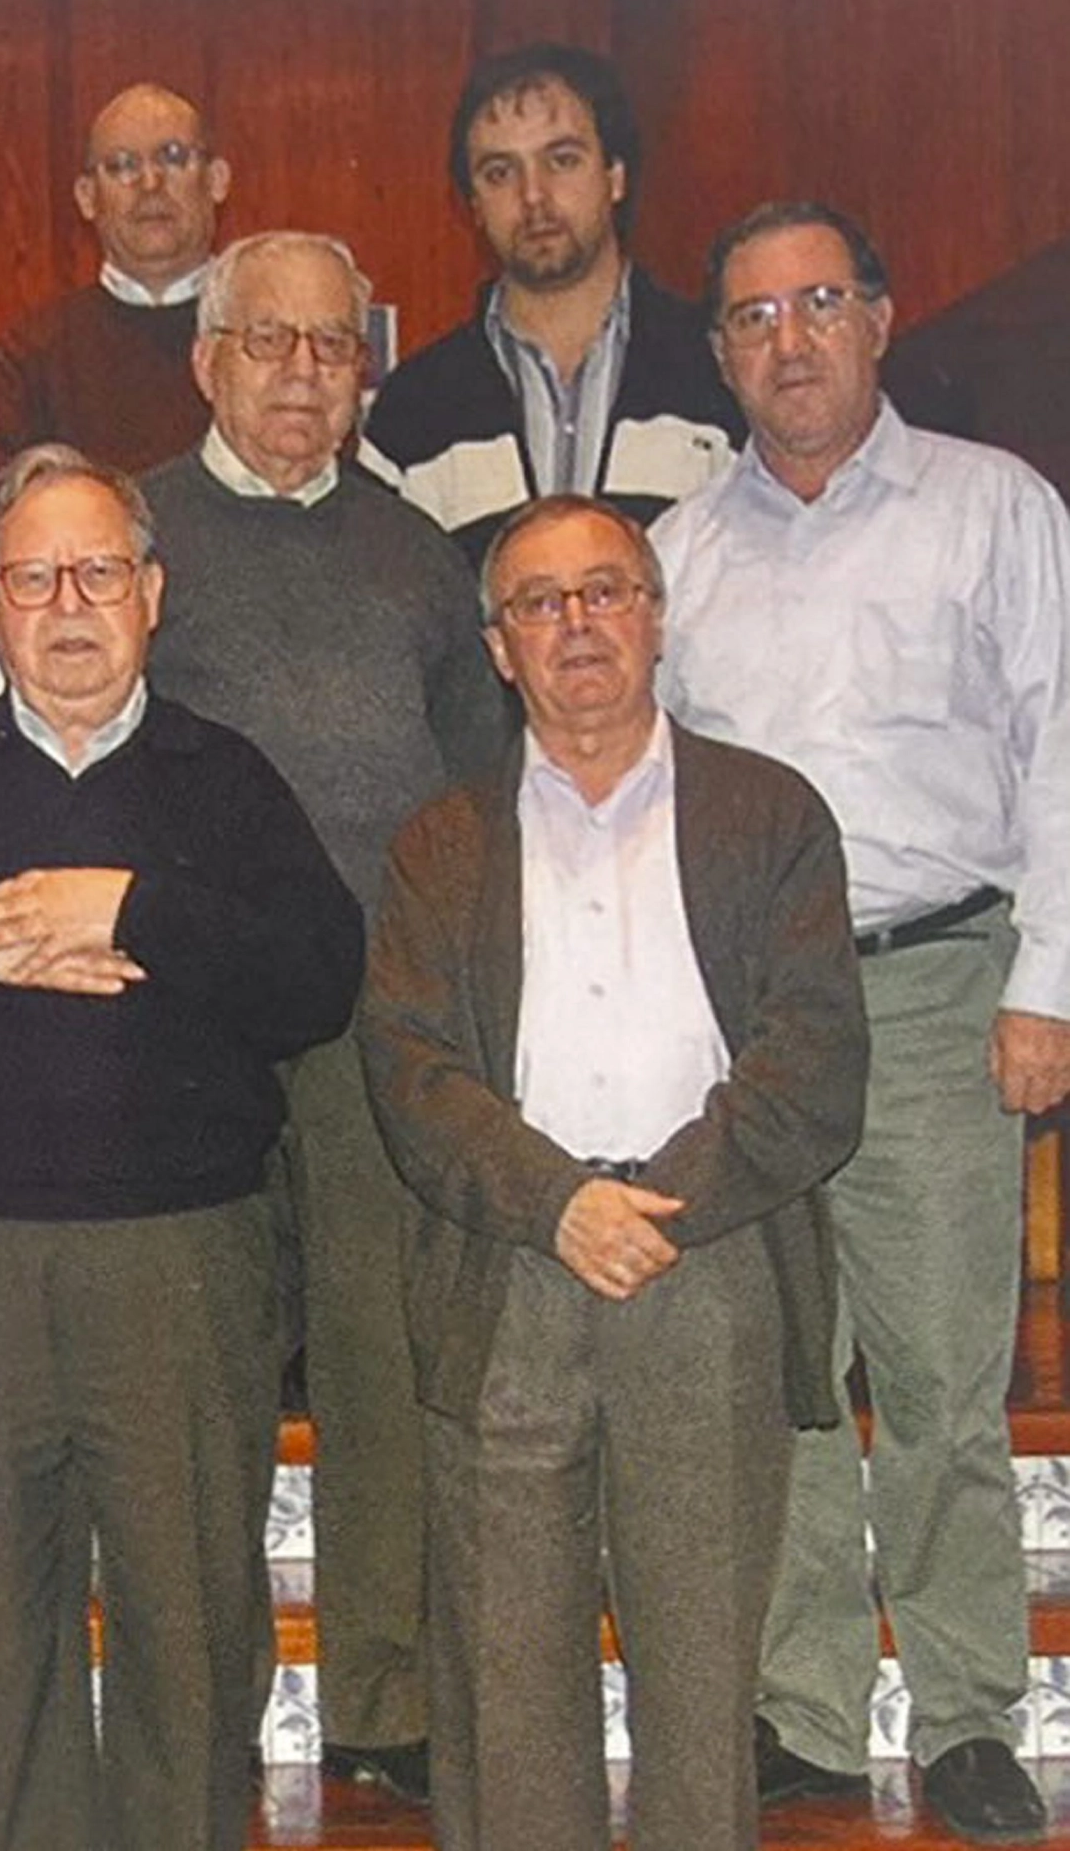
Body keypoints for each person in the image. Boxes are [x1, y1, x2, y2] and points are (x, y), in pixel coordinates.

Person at [0, 444, 362, 1851]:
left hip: (181, 1268)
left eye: (101, 572)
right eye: (34, 576)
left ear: (154, 593)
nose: (70, 604)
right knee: (6, 1628)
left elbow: (320, 981)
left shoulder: (228, 784)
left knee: (191, 1633)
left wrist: (133, 911)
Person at [361, 494, 868, 1851]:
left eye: (606, 592)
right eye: (540, 602)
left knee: (703, 1679)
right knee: (505, 1680)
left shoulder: (770, 815)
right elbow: (411, 1073)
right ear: (497, 647)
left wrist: (665, 1202)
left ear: (654, 617)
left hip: (707, 1270)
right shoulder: (440, 845)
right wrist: (556, 1201)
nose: (577, 624)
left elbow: (813, 1063)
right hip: (511, 1270)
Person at [652, 200, 1070, 1843]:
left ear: (883, 318)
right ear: (722, 357)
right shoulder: (681, 555)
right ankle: (810, 1710)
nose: (791, 339)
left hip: (943, 981)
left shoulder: (995, 510)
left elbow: (1061, 750)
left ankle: (969, 1713)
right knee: (785, 1382)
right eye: (754, 317)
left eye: (820, 302)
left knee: (947, 1382)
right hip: (754, 1010)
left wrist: (1049, 985)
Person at [140, 228, 514, 1802]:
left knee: (377, 1367)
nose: (302, 376)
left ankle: (382, 1698)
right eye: (269, 344)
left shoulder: (415, 552)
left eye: (331, 348)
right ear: (210, 360)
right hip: (190, 1032)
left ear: (365, 369)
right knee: (207, 1377)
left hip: (374, 1029)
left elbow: (480, 789)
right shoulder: (137, 534)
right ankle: (199, 1701)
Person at [364, 45, 741, 563]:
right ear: (471, 205)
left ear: (615, 177)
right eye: (500, 172)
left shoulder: (721, 370)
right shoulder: (415, 409)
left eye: (562, 160)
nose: (534, 196)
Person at [0, 83, 227, 475]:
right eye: (123, 165)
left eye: (173, 157)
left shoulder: (268, 341)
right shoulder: (30, 359)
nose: (150, 183)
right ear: (87, 197)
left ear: (216, 180)